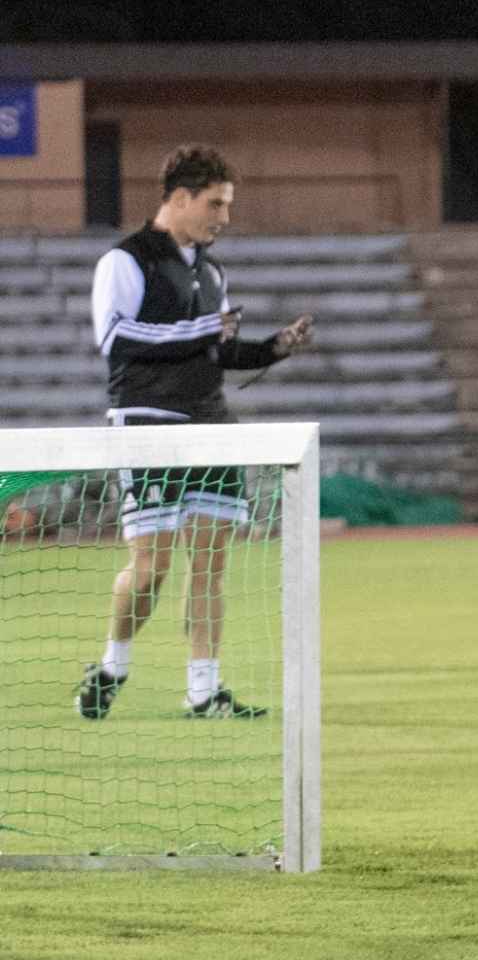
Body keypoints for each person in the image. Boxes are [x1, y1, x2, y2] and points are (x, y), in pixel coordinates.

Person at [75, 145, 316, 721]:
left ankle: (204, 691)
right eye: (215, 204)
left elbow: (217, 351)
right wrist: (201, 328)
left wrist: (274, 348)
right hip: (148, 424)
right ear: (180, 198)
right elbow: (116, 339)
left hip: (211, 426)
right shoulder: (125, 260)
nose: (224, 217)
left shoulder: (211, 271)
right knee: (152, 570)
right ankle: (113, 665)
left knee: (210, 565)